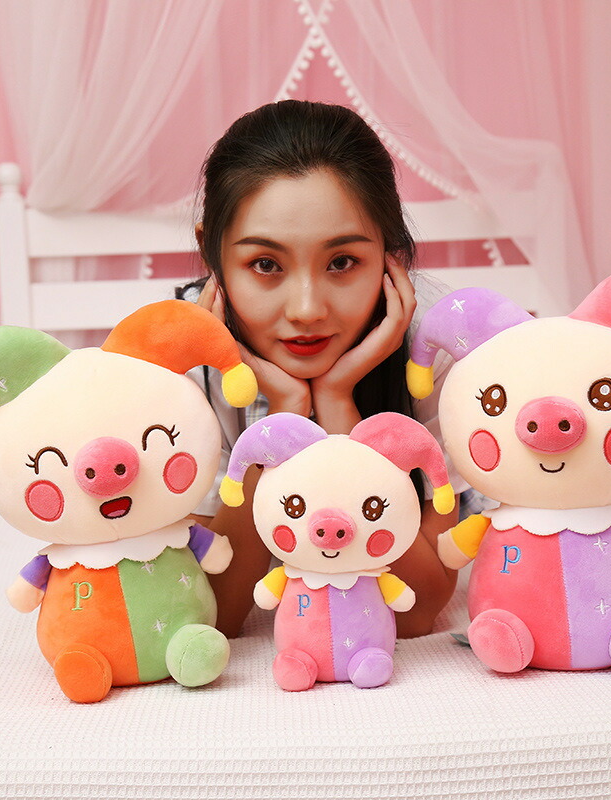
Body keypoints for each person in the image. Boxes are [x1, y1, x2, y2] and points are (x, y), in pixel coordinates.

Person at [180, 99, 475, 639]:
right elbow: (214, 612)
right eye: (265, 264)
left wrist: (339, 406)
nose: (307, 309)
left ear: (390, 255)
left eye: (342, 262)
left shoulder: (431, 355)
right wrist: (283, 421)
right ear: (212, 254)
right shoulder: (187, 369)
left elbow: (417, 613)